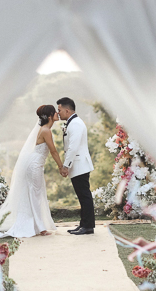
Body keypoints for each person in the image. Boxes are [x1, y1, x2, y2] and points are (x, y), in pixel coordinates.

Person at [0, 105, 63, 237]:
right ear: (49, 116)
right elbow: (53, 151)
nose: (57, 114)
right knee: (36, 194)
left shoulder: (45, 129)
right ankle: (41, 228)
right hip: (34, 166)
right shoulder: (46, 130)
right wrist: (61, 167)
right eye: (55, 112)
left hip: (36, 165)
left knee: (36, 194)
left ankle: (37, 226)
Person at [56, 97, 95, 235]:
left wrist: (65, 166)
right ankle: (83, 224)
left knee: (84, 196)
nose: (58, 113)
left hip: (80, 165)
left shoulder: (76, 124)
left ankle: (88, 226)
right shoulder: (72, 123)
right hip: (77, 165)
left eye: (59, 110)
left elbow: (73, 147)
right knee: (82, 196)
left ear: (67, 110)